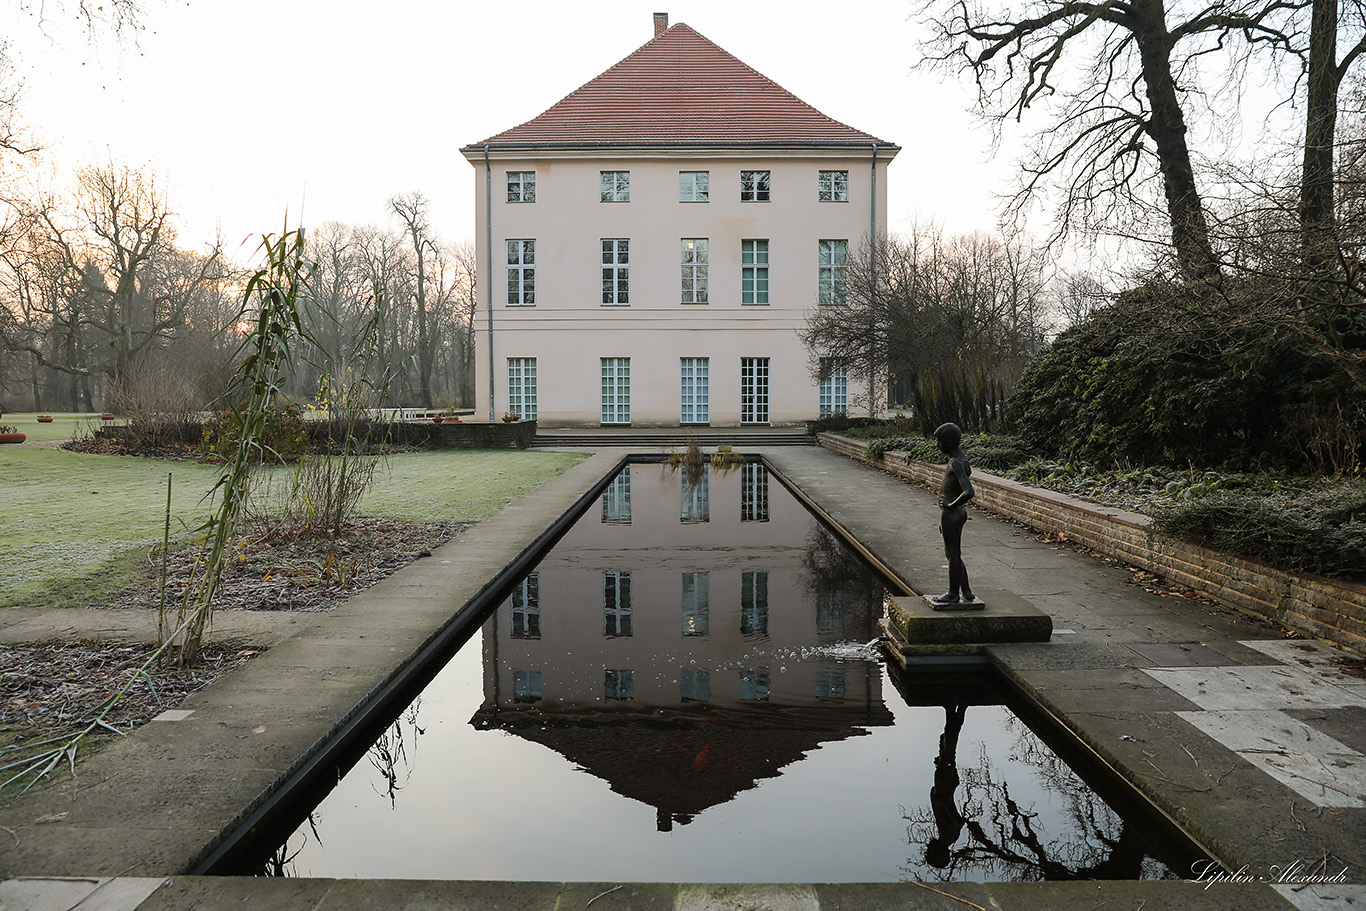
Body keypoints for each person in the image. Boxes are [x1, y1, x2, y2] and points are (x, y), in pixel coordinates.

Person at [932, 422, 975, 604]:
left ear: (949, 443)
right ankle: (966, 591)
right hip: (956, 513)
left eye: (940, 442)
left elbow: (969, 492)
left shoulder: (956, 463)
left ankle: (952, 594)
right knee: (952, 553)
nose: (937, 446)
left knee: (953, 554)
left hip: (953, 513)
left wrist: (950, 505)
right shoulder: (960, 459)